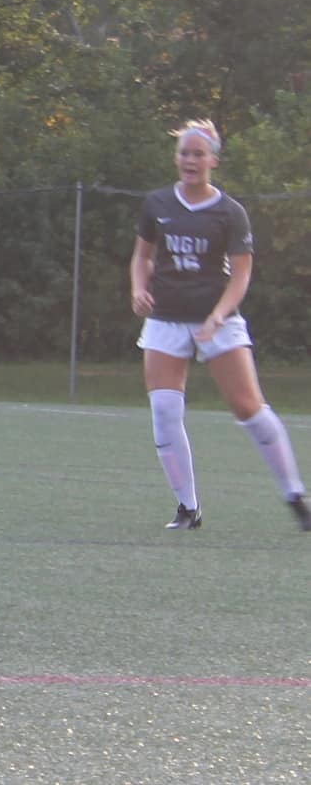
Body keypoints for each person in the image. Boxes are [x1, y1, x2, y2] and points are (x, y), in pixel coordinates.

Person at [130, 119, 311, 532]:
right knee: (164, 409)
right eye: (184, 153)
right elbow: (142, 257)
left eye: (198, 154)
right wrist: (139, 288)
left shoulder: (230, 212)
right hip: (165, 321)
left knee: (249, 408)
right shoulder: (157, 203)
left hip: (218, 322)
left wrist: (216, 315)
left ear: (213, 160)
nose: (190, 160)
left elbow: (241, 274)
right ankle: (187, 508)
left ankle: (296, 496)